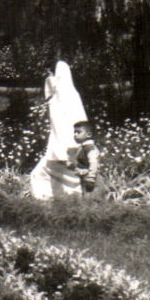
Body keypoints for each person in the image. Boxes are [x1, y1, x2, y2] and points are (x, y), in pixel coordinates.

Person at [29, 60, 102, 199]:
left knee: (46, 174)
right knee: (49, 174)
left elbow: (52, 101)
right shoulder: (72, 95)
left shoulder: (61, 98)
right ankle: (62, 199)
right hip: (69, 146)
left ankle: (52, 199)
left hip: (66, 148)